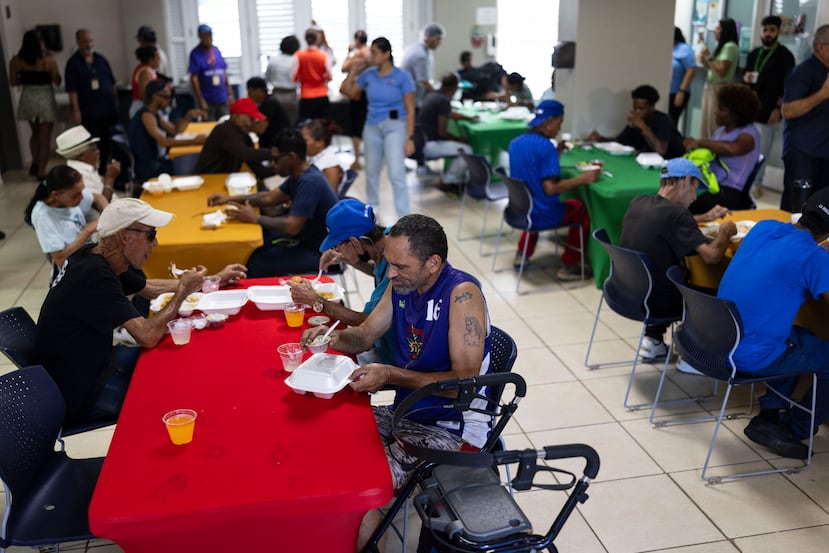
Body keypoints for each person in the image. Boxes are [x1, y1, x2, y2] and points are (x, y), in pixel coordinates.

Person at [298, 214, 491, 550]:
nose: (390, 273)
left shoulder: (462, 295)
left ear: (433, 263)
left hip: (451, 426)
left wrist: (390, 374)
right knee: (326, 435)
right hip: (411, 410)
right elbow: (364, 336)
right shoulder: (402, 284)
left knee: (355, 484)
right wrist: (329, 338)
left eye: (400, 266)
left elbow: (464, 384)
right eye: (388, 263)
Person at [33, 197, 247, 427]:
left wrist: (212, 279)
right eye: (151, 235)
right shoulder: (95, 275)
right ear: (126, 236)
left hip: (95, 364)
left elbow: (148, 288)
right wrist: (184, 289)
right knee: (180, 387)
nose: (154, 245)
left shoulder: (96, 254)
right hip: (82, 393)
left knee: (179, 361)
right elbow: (147, 336)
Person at [718, 187, 829, 460]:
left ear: (803, 206)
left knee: (800, 335)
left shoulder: (763, 228)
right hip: (747, 355)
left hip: (716, 338)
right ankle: (796, 429)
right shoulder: (813, 258)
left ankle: (770, 415)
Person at [620, 158, 736, 361]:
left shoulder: (639, 202)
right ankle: (692, 356)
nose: (694, 198)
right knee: (715, 291)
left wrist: (703, 217)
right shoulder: (677, 215)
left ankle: (653, 340)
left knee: (664, 272)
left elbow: (666, 222)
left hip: (628, 293)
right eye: (695, 189)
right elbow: (711, 256)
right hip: (659, 301)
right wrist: (725, 233)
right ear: (685, 181)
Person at [207, 128, 338, 277]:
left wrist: (254, 218)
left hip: (318, 252)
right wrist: (229, 198)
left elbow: (292, 227)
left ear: (291, 156)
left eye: (276, 159)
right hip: (305, 240)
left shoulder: (309, 182)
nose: (273, 165)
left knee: (253, 264)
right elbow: (268, 198)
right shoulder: (300, 174)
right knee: (259, 246)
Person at [287, 198, 394, 364]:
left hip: (392, 351)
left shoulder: (396, 264)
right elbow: (377, 269)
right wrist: (348, 258)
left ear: (354, 242)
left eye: (336, 246)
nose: (335, 250)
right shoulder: (386, 237)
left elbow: (368, 321)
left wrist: (316, 301)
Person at [509, 100, 597, 280]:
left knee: (534, 201)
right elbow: (550, 189)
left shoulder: (516, 143)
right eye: (559, 122)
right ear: (549, 121)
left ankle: (522, 254)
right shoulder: (546, 146)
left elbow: (532, 169)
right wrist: (584, 178)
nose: (559, 128)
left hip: (520, 210)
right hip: (541, 215)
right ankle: (570, 264)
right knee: (580, 209)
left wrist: (556, 154)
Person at [341, 37, 416, 217]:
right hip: (372, 126)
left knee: (396, 171)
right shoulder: (369, 74)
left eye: (374, 53)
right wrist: (353, 71)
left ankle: (404, 214)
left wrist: (409, 138)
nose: (370, 56)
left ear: (386, 54)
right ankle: (372, 207)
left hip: (395, 126)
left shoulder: (402, 77)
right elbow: (347, 92)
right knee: (372, 169)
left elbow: (411, 108)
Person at [683, 83, 761, 213]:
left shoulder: (749, 134)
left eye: (721, 109)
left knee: (682, 200)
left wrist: (701, 142)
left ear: (736, 113)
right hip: (712, 185)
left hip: (729, 192)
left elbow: (733, 148)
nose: (716, 113)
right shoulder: (721, 131)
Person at [780, 24, 829, 212]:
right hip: (803, 152)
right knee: (796, 210)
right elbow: (788, 110)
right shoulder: (803, 72)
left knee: (820, 211)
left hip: (824, 153)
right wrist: (822, 94)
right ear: (821, 47)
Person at [743, 16, 795, 194]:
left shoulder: (785, 56)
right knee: (746, 145)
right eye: (765, 30)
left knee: (762, 149)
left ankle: (757, 182)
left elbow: (787, 86)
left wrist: (777, 109)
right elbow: (746, 78)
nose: (768, 34)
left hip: (769, 110)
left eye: (772, 30)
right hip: (750, 109)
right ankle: (744, 179)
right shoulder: (754, 53)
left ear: (778, 32)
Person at [25, 165, 108, 271]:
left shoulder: (69, 197)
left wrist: (107, 212)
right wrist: (87, 231)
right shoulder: (43, 217)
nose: (82, 197)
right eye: (76, 195)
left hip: (87, 257)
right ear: (56, 195)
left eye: (81, 192)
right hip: (72, 271)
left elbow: (97, 198)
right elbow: (60, 260)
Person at [129, 79, 207, 181]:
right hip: (149, 167)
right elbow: (164, 141)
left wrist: (187, 117)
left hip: (155, 161)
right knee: (188, 168)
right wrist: (193, 141)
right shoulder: (146, 116)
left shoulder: (155, 113)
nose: (169, 100)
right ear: (154, 96)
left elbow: (174, 130)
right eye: (166, 97)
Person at [8, 29, 61, 180]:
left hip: (28, 98)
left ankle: (35, 163)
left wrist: (27, 79)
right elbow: (57, 81)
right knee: (45, 137)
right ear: (40, 43)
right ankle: (41, 171)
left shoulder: (16, 60)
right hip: (44, 98)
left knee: (35, 134)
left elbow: (13, 82)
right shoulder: (48, 61)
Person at [64, 29, 118, 177]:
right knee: (93, 145)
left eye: (90, 41)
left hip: (107, 110)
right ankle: (96, 172)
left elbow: (112, 83)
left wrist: (115, 102)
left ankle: (107, 170)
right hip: (89, 112)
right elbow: (72, 90)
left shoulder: (101, 59)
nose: (88, 44)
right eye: (84, 41)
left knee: (109, 142)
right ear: (78, 43)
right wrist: (76, 111)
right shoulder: (73, 63)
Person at [417, 73, 478, 193]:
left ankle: (454, 179)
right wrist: (459, 139)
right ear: (454, 88)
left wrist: (467, 118)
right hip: (428, 145)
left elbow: (448, 113)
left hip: (420, 140)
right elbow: (442, 133)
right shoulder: (443, 100)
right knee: (467, 150)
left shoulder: (433, 95)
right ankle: (448, 181)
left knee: (460, 146)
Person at [589, 85, 685, 159]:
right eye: (634, 108)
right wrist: (601, 139)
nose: (636, 112)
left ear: (652, 107)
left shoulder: (663, 121)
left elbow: (661, 151)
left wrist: (643, 127)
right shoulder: (635, 121)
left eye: (641, 108)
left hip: (665, 168)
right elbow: (620, 143)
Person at [194, 97, 274, 180]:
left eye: (254, 120)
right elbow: (244, 153)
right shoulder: (223, 130)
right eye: (250, 118)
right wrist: (273, 153)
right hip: (208, 181)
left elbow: (260, 171)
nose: (252, 123)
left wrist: (280, 167)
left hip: (226, 182)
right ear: (237, 115)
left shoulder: (245, 137)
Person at [56, 125, 120, 201]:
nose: (98, 152)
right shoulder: (79, 175)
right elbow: (102, 206)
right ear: (81, 156)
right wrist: (110, 178)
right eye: (94, 149)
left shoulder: (86, 167)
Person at [699, 18, 739, 138]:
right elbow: (713, 69)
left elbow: (721, 72)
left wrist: (709, 57)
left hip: (720, 88)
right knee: (706, 123)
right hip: (711, 87)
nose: (715, 31)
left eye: (718, 28)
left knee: (713, 124)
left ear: (725, 31)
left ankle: (714, 151)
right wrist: (705, 60)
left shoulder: (730, 46)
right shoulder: (722, 46)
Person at [189, 24, 234, 120]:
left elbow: (224, 72)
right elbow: (194, 78)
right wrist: (200, 99)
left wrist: (230, 93)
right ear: (200, 36)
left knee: (225, 122)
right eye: (205, 35)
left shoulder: (216, 50)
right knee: (210, 126)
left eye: (210, 35)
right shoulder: (195, 54)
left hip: (222, 97)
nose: (208, 37)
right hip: (207, 99)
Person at [342, 30, 371, 170]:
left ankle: (358, 159)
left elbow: (344, 68)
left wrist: (350, 53)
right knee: (359, 127)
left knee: (358, 127)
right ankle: (359, 158)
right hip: (359, 93)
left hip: (362, 95)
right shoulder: (368, 54)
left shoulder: (360, 54)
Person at [401, 23, 445, 108]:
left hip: (413, 97)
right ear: (429, 37)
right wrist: (440, 96)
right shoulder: (420, 55)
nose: (440, 43)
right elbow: (424, 82)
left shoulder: (420, 50)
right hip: (411, 99)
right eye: (438, 39)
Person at [295, 28, 332, 120]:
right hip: (321, 94)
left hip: (306, 95)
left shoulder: (299, 55)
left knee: (306, 124)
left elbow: (295, 77)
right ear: (317, 39)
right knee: (323, 124)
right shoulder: (323, 55)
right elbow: (329, 76)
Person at [245, 77, 290, 150]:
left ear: (258, 90)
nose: (248, 95)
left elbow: (260, 129)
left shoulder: (269, 103)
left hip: (278, 144)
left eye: (250, 92)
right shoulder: (262, 104)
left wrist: (244, 127)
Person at [265, 35, 300, 126]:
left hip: (277, 93)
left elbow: (267, 77)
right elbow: (298, 79)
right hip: (291, 95)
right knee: (292, 122)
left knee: (277, 122)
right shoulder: (296, 60)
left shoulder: (273, 60)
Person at [300, 119, 344, 192]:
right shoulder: (311, 156)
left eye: (305, 140)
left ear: (319, 142)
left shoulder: (330, 166)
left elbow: (330, 199)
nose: (300, 143)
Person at [670, 27, 697, 125]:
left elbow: (691, 70)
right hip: (665, 91)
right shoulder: (665, 47)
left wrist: (681, 91)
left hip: (677, 92)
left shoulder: (684, 49)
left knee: (672, 121)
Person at [128, 45, 160, 118]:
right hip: (141, 107)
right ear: (151, 59)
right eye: (158, 58)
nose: (160, 60)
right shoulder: (145, 72)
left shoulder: (150, 70)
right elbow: (142, 95)